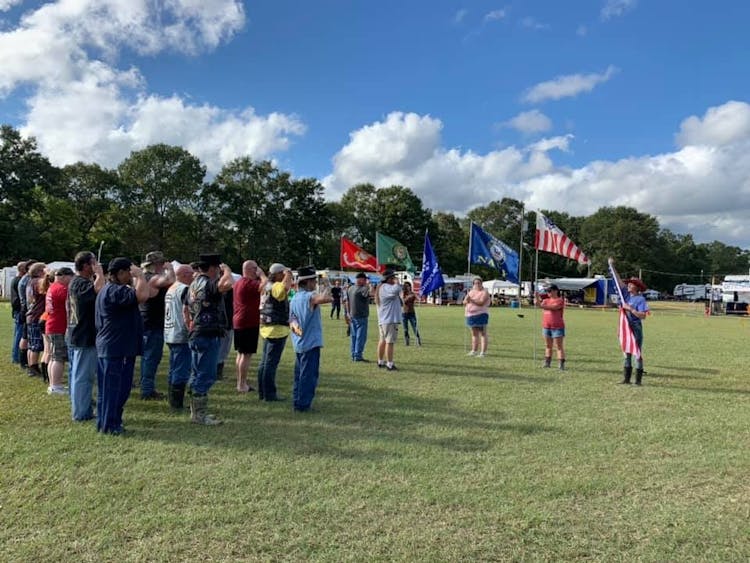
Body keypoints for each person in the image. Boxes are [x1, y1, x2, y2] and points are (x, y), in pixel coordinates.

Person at [95, 258, 150, 435]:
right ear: (119, 273)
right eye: (128, 271)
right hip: (117, 347)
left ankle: (105, 422)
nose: (130, 275)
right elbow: (142, 296)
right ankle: (111, 425)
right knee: (117, 388)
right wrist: (141, 276)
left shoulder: (107, 290)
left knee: (108, 389)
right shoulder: (115, 291)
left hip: (111, 346)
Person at [186, 254, 234, 424]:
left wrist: (190, 324)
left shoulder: (193, 284)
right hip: (208, 333)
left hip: (196, 332)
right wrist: (227, 271)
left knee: (196, 371)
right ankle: (199, 415)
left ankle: (194, 412)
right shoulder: (208, 284)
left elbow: (185, 308)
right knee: (206, 374)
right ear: (214, 268)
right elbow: (228, 284)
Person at [67, 251, 105, 421]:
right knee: (83, 377)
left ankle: (82, 408)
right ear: (85, 266)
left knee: (79, 375)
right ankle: (82, 413)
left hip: (78, 334)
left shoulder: (77, 282)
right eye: (93, 263)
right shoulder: (80, 283)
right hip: (83, 336)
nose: (96, 265)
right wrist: (100, 273)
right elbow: (99, 290)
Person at [289, 267, 332, 412]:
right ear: (307, 282)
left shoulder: (294, 297)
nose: (315, 283)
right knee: (308, 376)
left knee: (299, 375)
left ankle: (297, 400)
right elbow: (327, 298)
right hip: (310, 342)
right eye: (314, 280)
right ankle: (303, 404)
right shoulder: (309, 297)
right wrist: (326, 282)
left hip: (299, 340)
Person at [138, 251, 175, 400]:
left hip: (147, 321)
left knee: (149, 357)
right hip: (152, 323)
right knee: (151, 358)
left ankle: (147, 387)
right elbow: (171, 281)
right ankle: (147, 390)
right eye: (161, 263)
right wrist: (170, 268)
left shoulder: (143, 277)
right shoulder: (153, 279)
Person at [609, 258, 650, 385]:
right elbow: (618, 280)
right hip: (625, 326)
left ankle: (637, 380)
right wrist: (611, 266)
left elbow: (643, 316)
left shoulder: (640, 300)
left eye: (631, 284)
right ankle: (626, 379)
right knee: (626, 352)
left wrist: (630, 308)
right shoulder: (625, 295)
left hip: (635, 326)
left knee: (637, 352)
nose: (628, 285)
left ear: (637, 287)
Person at [257, 263, 293, 401]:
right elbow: (283, 289)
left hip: (266, 328)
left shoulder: (266, 285)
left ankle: (262, 392)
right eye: (283, 274)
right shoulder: (276, 285)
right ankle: (269, 394)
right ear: (278, 274)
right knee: (270, 364)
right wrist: (288, 274)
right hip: (276, 329)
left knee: (264, 363)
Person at [163, 264, 194, 410]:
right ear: (184, 274)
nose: (193, 276)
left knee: (173, 367)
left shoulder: (171, 288)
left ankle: (173, 400)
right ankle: (177, 403)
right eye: (191, 274)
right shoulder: (184, 289)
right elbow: (186, 311)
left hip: (169, 332)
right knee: (181, 369)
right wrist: (190, 329)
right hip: (180, 333)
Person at [233, 260, 267, 393]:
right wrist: (263, 275)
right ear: (249, 269)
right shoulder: (248, 283)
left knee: (240, 354)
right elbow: (264, 286)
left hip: (239, 321)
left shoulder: (238, 282)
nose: (256, 271)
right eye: (255, 268)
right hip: (248, 321)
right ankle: (242, 384)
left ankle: (240, 381)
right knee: (246, 354)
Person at [44, 267, 75, 394]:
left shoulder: (53, 287)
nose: (72, 280)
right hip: (58, 326)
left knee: (53, 357)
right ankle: (56, 386)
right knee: (59, 358)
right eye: (70, 277)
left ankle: (53, 384)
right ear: (64, 276)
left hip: (52, 325)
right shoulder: (62, 289)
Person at [375, 269, 402, 371]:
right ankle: (389, 364)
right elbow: (396, 290)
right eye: (393, 278)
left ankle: (380, 361)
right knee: (389, 342)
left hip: (384, 320)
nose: (395, 279)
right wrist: (397, 283)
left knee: (382, 341)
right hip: (390, 320)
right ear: (389, 279)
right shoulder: (386, 287)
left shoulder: (381, 287)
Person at [25, 262, 48, 378]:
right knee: (36, 345)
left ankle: (31, 365)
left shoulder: (30, 282)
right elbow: (45, 290)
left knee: (31, 344)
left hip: (31, 315)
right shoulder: (38, 282)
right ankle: (33, 367)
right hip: (37, 315)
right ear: (40, 271)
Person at [537, 283, 566, 371]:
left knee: (558, 346)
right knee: (548, 345)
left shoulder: (560, 300)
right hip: (546, 326)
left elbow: (554, 308)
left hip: (557, 326)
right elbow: (539, 305)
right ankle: (547, 362)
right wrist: (536, 297)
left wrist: (541, 305)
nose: (548, 292)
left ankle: (561, 364)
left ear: (555, 291)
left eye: (549, 290)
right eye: (547, 291)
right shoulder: (545, 300)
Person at [346, 272, 371, 362]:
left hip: (352, 315)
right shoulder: (363, 289)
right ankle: (358, 356)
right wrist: (369, 286)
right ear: (360, 279)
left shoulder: (350, 288)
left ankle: (353, 354)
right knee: (361, 337)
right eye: (364, 279)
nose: (365, 281)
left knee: (354, 336)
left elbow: (347, 302)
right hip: (361, 316)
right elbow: (370, 294)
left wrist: (348, 313)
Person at [463, 276, 491, 357]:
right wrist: (466, 300)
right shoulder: (471, 292)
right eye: (475, 283)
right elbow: (464, 302)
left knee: (483, 333)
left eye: (479, 283)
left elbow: (481, 302)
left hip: (481, 314)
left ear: (482, 284)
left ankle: (483, 352)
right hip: (470, 315)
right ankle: (474, 350)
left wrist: (471, 300)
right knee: (474, 334)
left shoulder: (485, 292)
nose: (477, 284)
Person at [10, 261, 26, 366]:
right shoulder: (19, 281)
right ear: (22, 269)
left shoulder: (15, 280)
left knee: (17, 333)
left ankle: (15, 356)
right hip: (19, 310)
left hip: (16, 310)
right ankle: (16, 357)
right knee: (19, 334)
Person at [401, 281, 422, 346]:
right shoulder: (403, 293)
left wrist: (418, 296)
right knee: (405, 329)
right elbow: (403, 301)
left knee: (415, 327)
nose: (408, 287)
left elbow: (419, 299)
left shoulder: (413, 294)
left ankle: (418, 340)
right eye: (407, 286)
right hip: (404, 313)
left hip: (412, 313)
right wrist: (409, 297)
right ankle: (407, 341)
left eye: (409, 286)